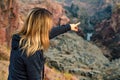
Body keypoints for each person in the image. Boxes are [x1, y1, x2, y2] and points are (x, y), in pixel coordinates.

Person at [8, 7, 80, 80]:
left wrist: (69, 27)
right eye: (48, 26)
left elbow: (49, 33)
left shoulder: (19, 39)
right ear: (42, 29)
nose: (50, 27)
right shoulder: (31, 53)